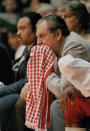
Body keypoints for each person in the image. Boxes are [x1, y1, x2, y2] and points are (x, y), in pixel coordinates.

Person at [36, 15, 90, 131]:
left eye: (42, 36)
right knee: (33, 98)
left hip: (84, 98)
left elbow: (63, 89)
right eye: (37, 38)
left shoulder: (73, 45)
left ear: (58, 34)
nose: (38, 43)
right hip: (78, 95)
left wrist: (45, 72)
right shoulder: (55, 48)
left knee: (57, 106)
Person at [0, 12, 41, 131]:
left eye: (22, 28)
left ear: (35, 30)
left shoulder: (39, 50)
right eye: (18, 29)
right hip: (18, 91)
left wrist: (3, 91)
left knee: (6, 101)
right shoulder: (25, 49)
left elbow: (26, 81)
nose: (18, 33)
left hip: (30, 93)